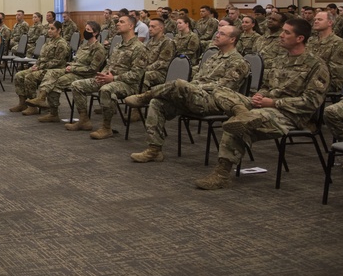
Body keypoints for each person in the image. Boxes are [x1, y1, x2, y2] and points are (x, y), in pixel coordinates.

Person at [194, 17, 329, 190]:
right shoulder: (281, 59)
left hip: (290, 114)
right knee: (222, 92)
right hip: (265, 104)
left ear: (300, 38)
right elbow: (267, 86)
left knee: (239, 123)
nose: (281, 35)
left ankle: (221, 175)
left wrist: (273, 102)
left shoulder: (316, 65)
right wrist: (260, 96)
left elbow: (310, 102)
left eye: (287, 32)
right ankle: (242, 112)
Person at [125, 23, 248, 163]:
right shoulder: (213, 57)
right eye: (217, 33)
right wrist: (193, 87)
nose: (217, 35)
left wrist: (194, 87)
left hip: (214, 101)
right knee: (157, 103)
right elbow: (197, 77)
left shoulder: (239, 62)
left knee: (179, 84)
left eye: (222, 34)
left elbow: (224, 87)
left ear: (232, 39)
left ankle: (145, 96)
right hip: (195, 97)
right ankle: (154, 150)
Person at [68, 14, 148, 139]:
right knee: (77, 85)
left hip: (128, 84)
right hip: (109, 79)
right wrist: (104, 74)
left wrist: (113, 79)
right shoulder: (118, 46)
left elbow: (136, 75)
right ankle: (84, 120)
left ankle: (106, 127)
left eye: (121, 22)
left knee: (106, 90)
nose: (117, 24)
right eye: (118, 22)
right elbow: (109, 65)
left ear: (131, 26)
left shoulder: (139, 48)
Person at [24, 21, 106, 122]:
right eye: (85, 29)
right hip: (73, 71)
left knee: (55, 82)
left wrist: (73, 68)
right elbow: (76, 61)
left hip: (85, 75)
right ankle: (43, 101)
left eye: (88, 30)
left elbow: (92, 69)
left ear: (95, 33)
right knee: (52, 73)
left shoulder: (99, 49)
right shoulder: (84, 45)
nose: (85, 31)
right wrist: (70, 66)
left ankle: (55, 112)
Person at [10, 21, 70, 114]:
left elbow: (57, 62)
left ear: (59, 30)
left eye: (52, 29)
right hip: (42, 67)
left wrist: (40, 67)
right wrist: (36, 65)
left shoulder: (61, 43)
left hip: (53, 70)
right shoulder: (49, 41)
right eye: (49, 28)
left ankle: (33, 106)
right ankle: (22, 103)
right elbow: (41, 57)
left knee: (29, 77)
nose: (49, 31)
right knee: (19, 75)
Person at [308, 10, 343, 95]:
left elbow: (335, 72)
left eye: (319, 20)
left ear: (330, 23)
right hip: (309, 77)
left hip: (329, 81)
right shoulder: (311, 40)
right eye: (315, 20)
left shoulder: (338, 43)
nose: (315, 22)